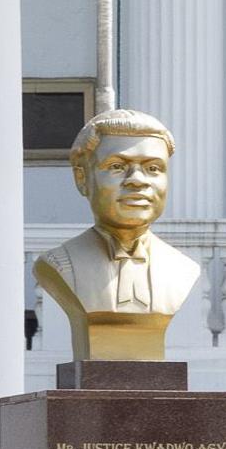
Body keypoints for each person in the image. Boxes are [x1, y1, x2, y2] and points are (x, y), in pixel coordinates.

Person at [33, 107, 201, 364]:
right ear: (82, 179)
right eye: (117, 166)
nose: (137, 181)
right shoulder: (59, 265)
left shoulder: (182, 269)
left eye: (153, 168)